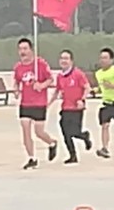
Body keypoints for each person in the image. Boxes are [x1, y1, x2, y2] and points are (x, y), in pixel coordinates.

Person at [13, 38, 58, 169]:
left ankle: (52, 143)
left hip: (39, 103)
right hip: (25, 103)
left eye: (25, 49)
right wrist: (16, 90)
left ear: (31, 50)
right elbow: (16, 81)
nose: (22, 52)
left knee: (39, 132)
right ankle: (31, 157)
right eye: (20, 49)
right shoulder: (18, 67)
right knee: (25, 129)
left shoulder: (40, 64)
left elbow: (50, 79)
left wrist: (41, 85)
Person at [49, 49, 92, 164]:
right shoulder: (60, 76)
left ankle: (84, 136)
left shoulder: (78, 74)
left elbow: (87, 88)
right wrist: (48, 104)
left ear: (71, 61)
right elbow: (57, 91)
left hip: (76, 108)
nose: (64, 61)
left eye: (66, 58)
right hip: (65, 108)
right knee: (65, 132)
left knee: (74, 131)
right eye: (62, 58)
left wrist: (82, 99)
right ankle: (72, 155)